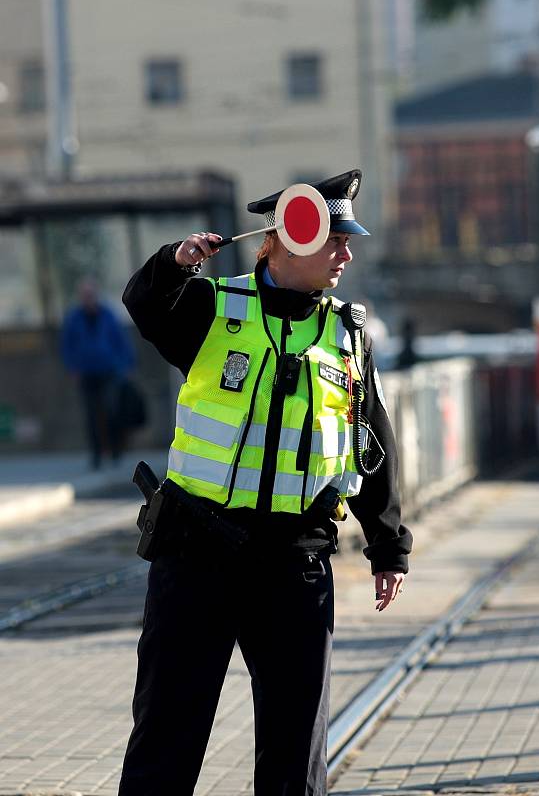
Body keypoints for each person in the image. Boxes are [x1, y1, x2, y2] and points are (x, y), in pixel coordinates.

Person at [117, 169, 413, 796]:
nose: (345, 253)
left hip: (296, 562)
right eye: (333, 237)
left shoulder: (349, 332)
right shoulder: (213, 307)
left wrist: (387, 543)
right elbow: (143, 304)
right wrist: (174, 263)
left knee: (294, 751)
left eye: (347, 239)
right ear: (283, 240)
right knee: (166, 740)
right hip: (196, 553)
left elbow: (373, 439)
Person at [60, 277, 135, 469]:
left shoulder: (108, 315)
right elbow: (66, 345)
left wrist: (126, 365)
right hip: (86, 373)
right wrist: (72, 367)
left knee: (111, 410)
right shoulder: (74, 318)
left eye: (90, 295)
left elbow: (121, 342)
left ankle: (115, 451)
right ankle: (96, 455)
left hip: (108, 370)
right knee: (91, 415)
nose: (88, 299)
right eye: (84, 295)